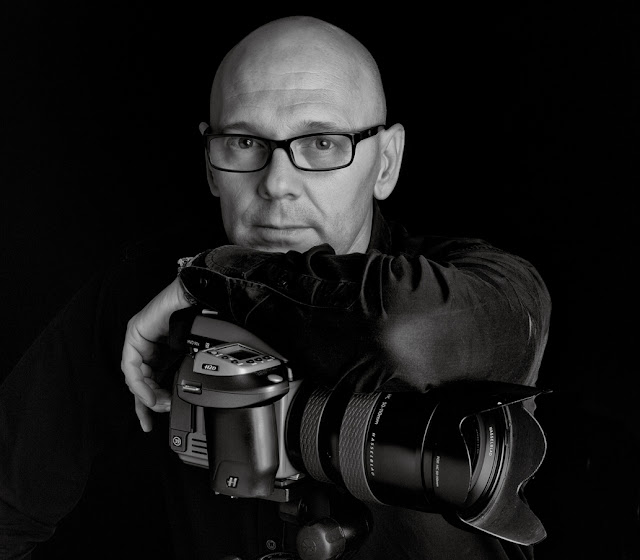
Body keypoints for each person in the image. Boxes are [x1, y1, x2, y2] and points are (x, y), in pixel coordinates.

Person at [1, 15, 551, 560]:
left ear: (385, 163)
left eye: (322, 143)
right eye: (244, 141)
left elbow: (398, 329)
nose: (277, 183)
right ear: (210, 164)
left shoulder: (483, 285)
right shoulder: (146, 296)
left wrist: (215, 276)